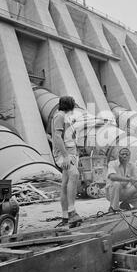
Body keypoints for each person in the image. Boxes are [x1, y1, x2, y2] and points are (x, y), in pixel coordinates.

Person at [52, 96, 82, 227]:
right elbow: (57, 137)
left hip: (70, 153)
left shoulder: (64, 117)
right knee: (74, 175)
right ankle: (71, 212)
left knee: (65, 183)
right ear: (71, 105)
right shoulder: (59, 116)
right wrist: (65, 156)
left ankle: (65, 217)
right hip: (65, 154)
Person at [106, 147, 137, 212]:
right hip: (112, 192)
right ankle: (113, 208)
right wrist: (129, 179)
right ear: (118, 155)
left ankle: (126, 204)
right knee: (116, 184)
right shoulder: (112, 163)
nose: (124, 156)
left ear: (129, 156)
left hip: (125, 191)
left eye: (126, 154)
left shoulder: (132, 165)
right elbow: (112, 177)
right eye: (122, 154)